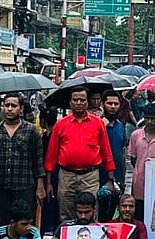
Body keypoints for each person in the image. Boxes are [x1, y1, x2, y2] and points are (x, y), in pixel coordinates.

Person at [45, 88, 116, 221]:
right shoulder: (60, 124)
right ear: (70, 103)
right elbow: (51, 155)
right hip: (66, 176)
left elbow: (107, 152)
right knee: (66, 214)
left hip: (90, 176)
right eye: (75, 100)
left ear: (87, 102)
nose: (79, 103)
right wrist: (48, 183)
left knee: (90, 214)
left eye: (82, 100)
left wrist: (110, 180)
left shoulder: (98, 123)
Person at [0, 93, 46, 226]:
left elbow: (39, 161)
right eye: (7, 105)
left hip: (24, 186)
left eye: (14, 106)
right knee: (0, 225)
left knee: (23, 224)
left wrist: (40, 187)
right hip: (0, 186)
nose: (10, 109)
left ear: (21, 108)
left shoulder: (31, 130)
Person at [100, 90, 128, 221]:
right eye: (109, 103)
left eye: (115, 104)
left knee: (112, 214)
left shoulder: (120, 126)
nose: (112, 106)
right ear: (102, 104)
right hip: (100, 177)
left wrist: (122, 178)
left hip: (117, 176)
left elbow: (122, 152)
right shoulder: (97, 125)